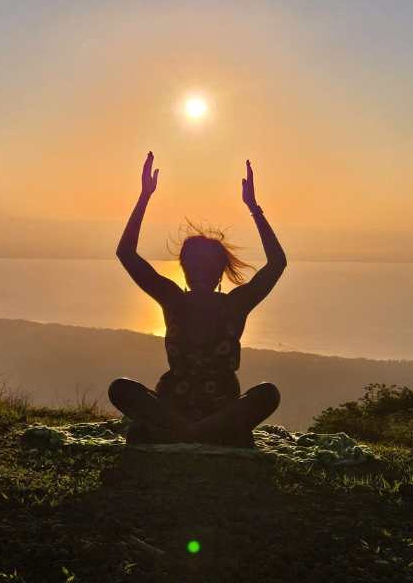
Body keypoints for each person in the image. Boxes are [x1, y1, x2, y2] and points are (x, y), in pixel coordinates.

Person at [109, 151, 286, 448]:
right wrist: (144, 196)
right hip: (196, 411)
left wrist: (255, 209)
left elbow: (277, 263)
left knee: (269, 393)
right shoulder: (204, 302)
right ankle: (207, 434)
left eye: (204, 265)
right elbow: (125, 253)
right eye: (195, 264)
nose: (199, 270)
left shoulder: (200, 301)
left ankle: (181, 433)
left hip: (191, 412)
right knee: (120, 388)